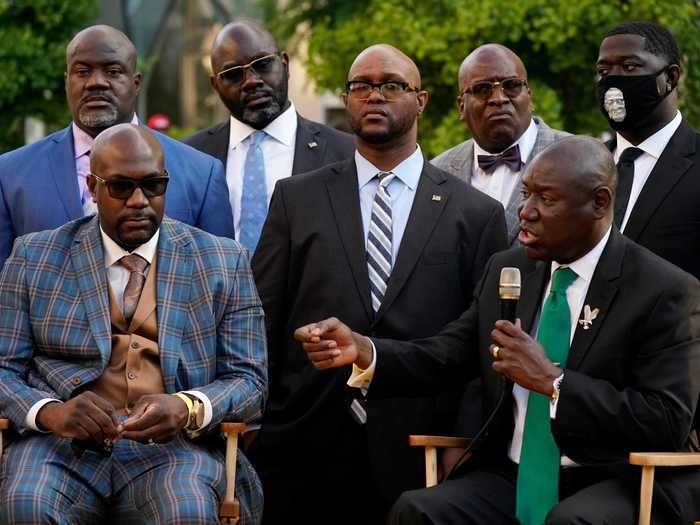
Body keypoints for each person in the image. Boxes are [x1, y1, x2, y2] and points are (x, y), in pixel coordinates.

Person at [298, 136, 700, 525]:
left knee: (570, 521)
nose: (526, 211)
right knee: (417, 510)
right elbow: (447, 356)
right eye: (526, 194)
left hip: (615, 476)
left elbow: (666, 420)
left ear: (599, 203)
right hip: (513, 474)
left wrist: (554, 383)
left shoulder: (663, 289)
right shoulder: (509, 270)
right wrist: (366, 351)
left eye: (547, 199)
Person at [250, 44, 507, 524]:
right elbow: (262, 312)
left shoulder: (477, 214)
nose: (374, 95)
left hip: (424, 445)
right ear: (347, 100)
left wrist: (470, 438)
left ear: (422, 100)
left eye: (391, 85)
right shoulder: (295, 197)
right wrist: (261, 417)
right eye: (361, 86)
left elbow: (484, 342)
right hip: (304, 438)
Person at [0, 124, 267, 524]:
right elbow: (3, 368)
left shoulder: (224, 261)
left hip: (176, 450)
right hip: (58, 447)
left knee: (187, 510)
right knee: (27, 504)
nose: (139, 201)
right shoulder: (34, 256)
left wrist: (187, 406)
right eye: (121, 187)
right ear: (93, 187)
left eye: (153, 186)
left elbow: (250, 380)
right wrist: (49, 412)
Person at [0, 25, 234, 269]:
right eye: (82, 71)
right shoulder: (10, 175)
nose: (96, 83)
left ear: (136, 83)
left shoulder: (201, 173)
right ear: (67, 82)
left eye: (112, 71)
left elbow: (222, 282)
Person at [184, 20, 354, 253]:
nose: (251, 81)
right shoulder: (190, 157)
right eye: (233, 75)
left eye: (263, 64)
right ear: (215, 85)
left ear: (285, 64)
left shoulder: (345, 153)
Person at [432, 44, 568, 244]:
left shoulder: (575, 157)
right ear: (461, 106)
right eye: (482, 89)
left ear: (529, 96)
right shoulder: (437, 173)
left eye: (512, 85)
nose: (499, 99)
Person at [596, 20, 700, 280]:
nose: (614, 79)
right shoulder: (587, 165)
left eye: (630, 67)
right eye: (604, 70)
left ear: (670, 78)